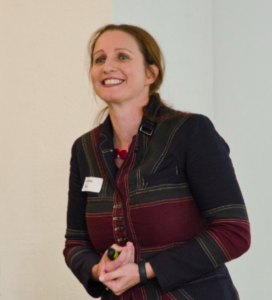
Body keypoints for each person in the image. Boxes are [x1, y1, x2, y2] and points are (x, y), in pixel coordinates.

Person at [63, 24, 251, 300]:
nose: (108, 67)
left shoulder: (190, 132)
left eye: (122, 57)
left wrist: (144, 270)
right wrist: (99, 269)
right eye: (99, 59)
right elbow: (75, 243)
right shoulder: (84, 149)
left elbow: (233, 231)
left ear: (150, 73)